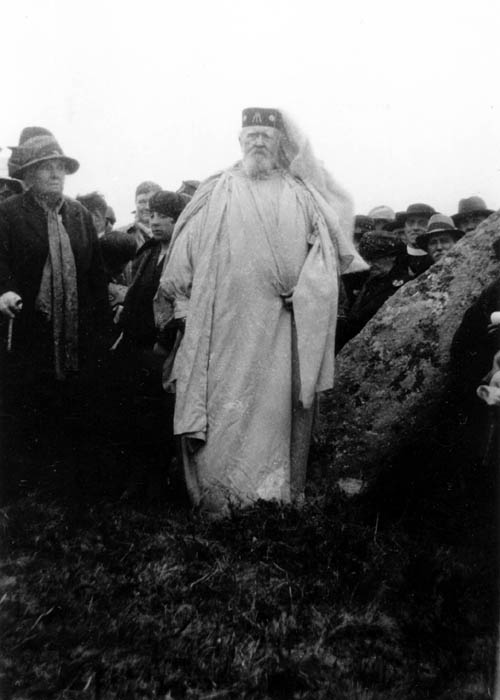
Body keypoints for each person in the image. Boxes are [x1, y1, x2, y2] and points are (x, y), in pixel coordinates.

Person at [156, 107, 366, 511]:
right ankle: (218, 500)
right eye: (250, 135)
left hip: (284, 327)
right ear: (239, 141)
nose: (257, 142)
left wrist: (306, 291)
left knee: (276, 411)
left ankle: (270, 500)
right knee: (221, 406)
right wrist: (184, 308)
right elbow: (179, 267)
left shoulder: (302, 194)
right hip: (224, 326)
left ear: (279, 143)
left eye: (265, 137)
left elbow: (327, 259)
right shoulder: (215, 191)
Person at [0, 127, 109, 499]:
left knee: (72, 401)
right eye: (46, 167)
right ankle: (25, 488)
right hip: (27, 327)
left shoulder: (78, 215)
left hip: (75, 329)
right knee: (28, 400)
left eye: (60, 167)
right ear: (28, 175)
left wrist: (101, 329)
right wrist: (4, 290)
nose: (55, 174)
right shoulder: (9, 213)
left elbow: (95, 275)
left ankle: (67, 486)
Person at [112, 191, 187, 499]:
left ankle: (155, 482)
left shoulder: (183, 254)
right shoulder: (148, 251)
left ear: (179, 219)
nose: (155, 221)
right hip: (135, 343)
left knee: (159, 415)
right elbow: (136, 292)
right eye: (153, 214)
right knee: (134, 412)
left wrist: (164, 343)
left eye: (163, 216)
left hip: (163, 349)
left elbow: (181, 302)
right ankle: (135, 479)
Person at [119, 180, 161, 250]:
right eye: (142, 202)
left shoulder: (171, 234)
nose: (147, 207)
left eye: (152, 202)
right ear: (135, 203)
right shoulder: (121, 234)